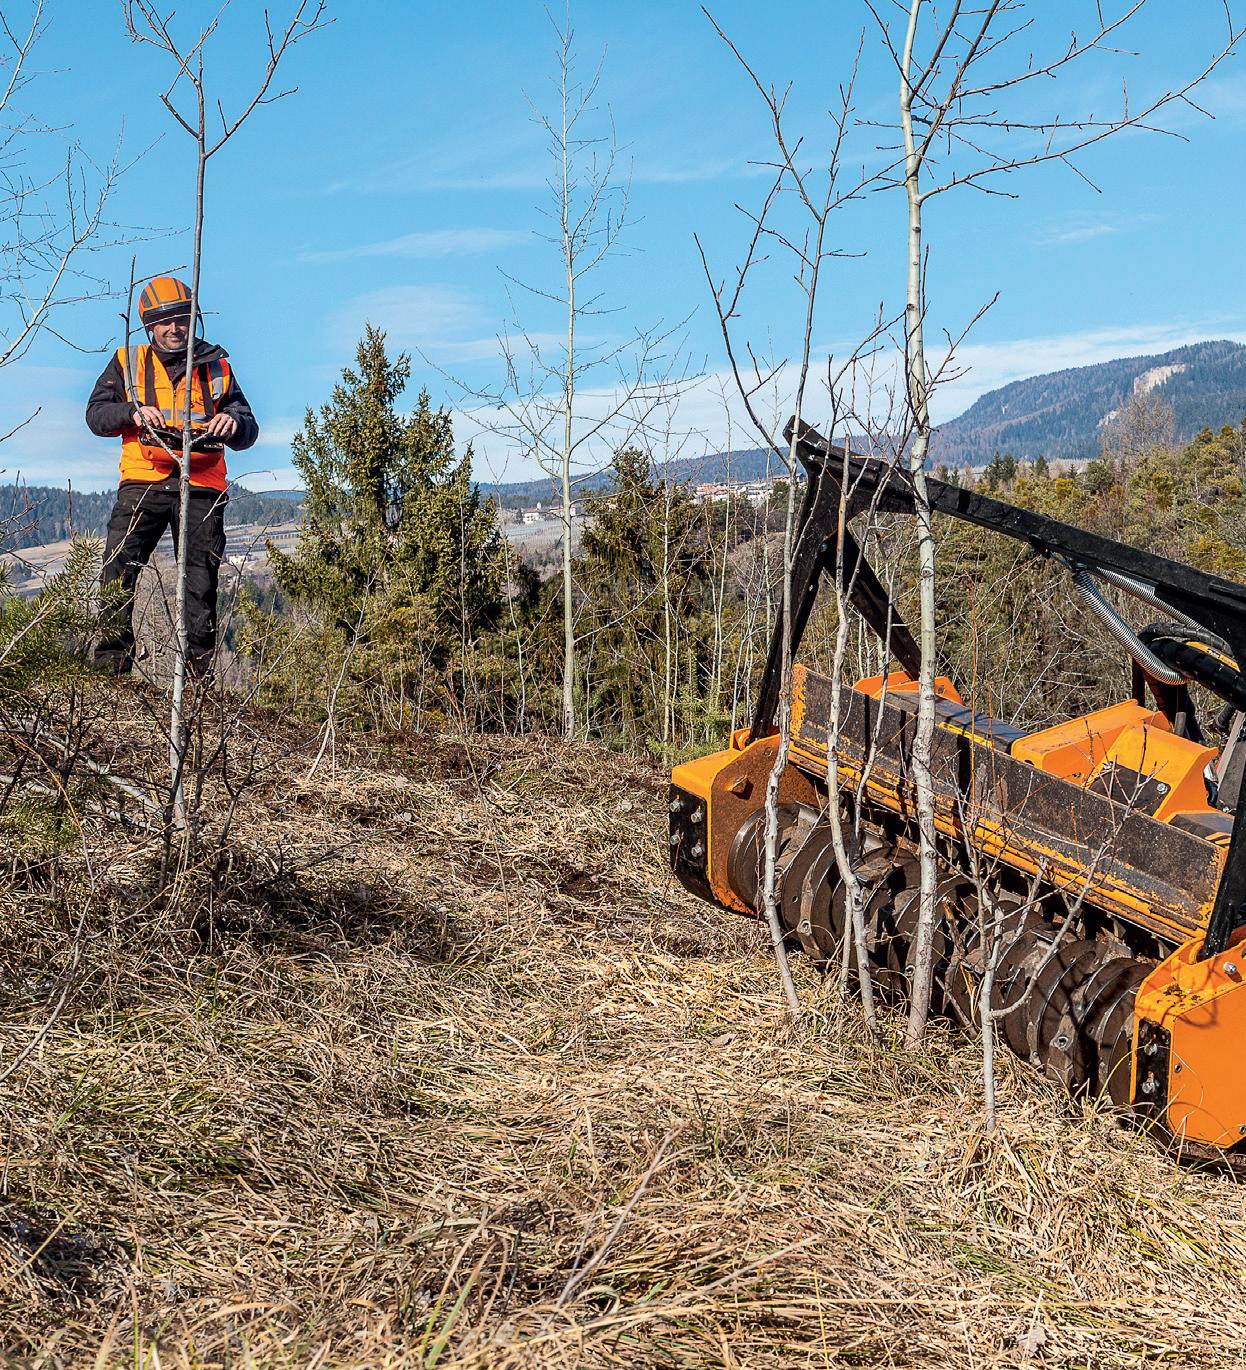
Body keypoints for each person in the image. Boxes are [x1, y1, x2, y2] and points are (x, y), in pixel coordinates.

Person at [85, 275, 259, 676]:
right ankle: (111, 671)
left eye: (182, 318)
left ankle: (197, 682)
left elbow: (248, 428)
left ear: (193, 319)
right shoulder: (127, 362)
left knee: (200, 584)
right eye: (165, 320)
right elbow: (96, 415)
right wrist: (132, 412)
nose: (175, 327)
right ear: (150, 326)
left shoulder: (218, 367)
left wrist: (233, 423)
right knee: (117, 573)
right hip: (142, 480)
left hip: (202, 487)